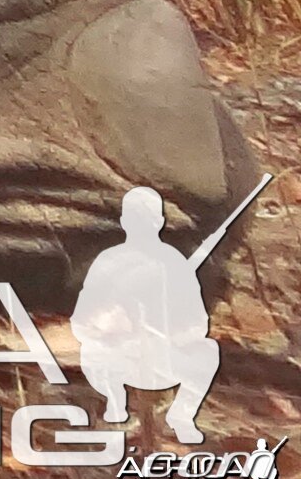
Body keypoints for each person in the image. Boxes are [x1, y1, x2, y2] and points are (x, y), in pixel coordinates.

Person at [73, 187, 223, 443]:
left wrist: (173, 335)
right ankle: (115, 405)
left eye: (148, 218)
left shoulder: (175, 263)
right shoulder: (108, 261)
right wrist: (105, 324)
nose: (143, 225)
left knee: (207, 352)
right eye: (135, 218)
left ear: (160, 222)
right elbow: (81, 322)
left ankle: (181, 417)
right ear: (124, 222)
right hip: (118, 354)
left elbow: (198, 323)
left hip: (163, 355)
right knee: (92, 351)